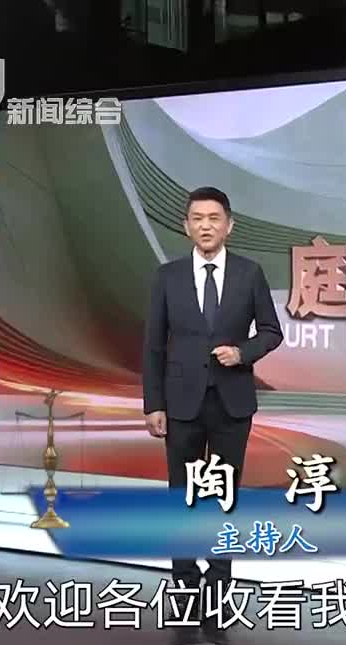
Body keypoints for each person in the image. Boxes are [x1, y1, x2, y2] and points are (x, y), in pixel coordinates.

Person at [141, 186, 283, 621]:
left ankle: (220, 583)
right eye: (198, 218)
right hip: (180, 402)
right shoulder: (168, 276)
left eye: (214, 218)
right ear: (186, 226)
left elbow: (272, 331)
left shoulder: (249, 273)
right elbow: (153, 346)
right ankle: (184, 581)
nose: (206, 226)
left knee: (224, 494)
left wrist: (243, 353)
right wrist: (153, 404)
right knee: (181, 494)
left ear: (229, 225)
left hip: (231, 402)